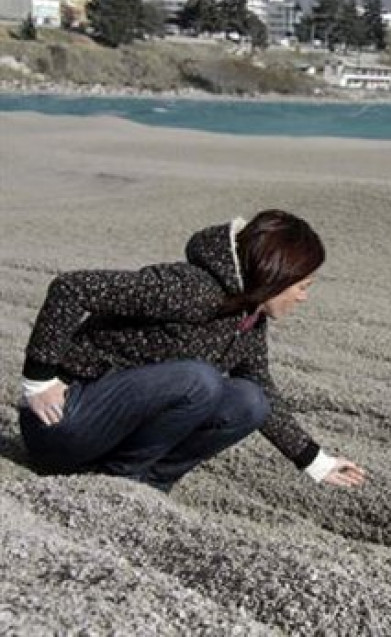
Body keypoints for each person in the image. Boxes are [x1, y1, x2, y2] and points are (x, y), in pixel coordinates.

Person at [18, 209, 366, 493]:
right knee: (199, 380)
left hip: (108, 438)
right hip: (64, 423)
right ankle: (120, 480)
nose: (303, 297)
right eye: (302, 286)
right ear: (276, 273)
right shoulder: (189, 288)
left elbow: (263, 394)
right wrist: (38, 381)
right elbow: (72, 288)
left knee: (250, 399)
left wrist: (317, 462)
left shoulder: (249, 319)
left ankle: (149, 485)